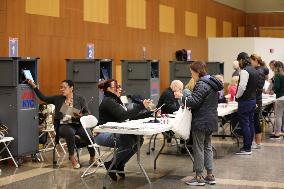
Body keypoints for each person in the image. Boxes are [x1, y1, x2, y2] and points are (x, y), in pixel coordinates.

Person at [27, 79, 95, 169]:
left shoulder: (80, 98)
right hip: (62, 125)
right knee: (69, 132)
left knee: (88, 134)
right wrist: (34, 86)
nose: (61, 89)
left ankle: (93, 158)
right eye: (61, 87)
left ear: (71, 88)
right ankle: (72, 157)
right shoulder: (57, 99)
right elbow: (43, 98)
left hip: (77, 124)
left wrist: (81, 115)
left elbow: (87, 112)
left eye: (64, 87)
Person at [94, 79, 152, 181]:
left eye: (120, 86)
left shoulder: (116, 100)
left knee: (139, 139)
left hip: (114, 131)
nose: (120, 89)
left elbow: (129, 117)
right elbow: (123, 116)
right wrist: (141, 106)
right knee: (129, 140)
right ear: (109, 89)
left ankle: (120, 163)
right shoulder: (108, 101)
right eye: (117, 87)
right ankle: (111, 164)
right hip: (103, 134)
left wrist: (150, 113)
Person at [177, 61, 223, 186]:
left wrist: (181, 97)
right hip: (211, 120)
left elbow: (194, 102)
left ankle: (198, 177)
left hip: (201, 121)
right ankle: (210, 175)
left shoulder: (202, 84)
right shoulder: (212, 83)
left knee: (198, 149)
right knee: (207, 147)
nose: (191, 75)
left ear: (197, 72)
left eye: (192, 73)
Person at [235, 52, 258, 155]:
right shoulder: (255, 70)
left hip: (245, 101)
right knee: (250, 123)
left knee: (245, 124)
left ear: (241, 60)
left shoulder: (244, 71)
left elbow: (242, 87)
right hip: (253, 100)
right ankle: (250, 144)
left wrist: (237, 96)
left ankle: (247, 148)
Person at [250, 54, 269, 148]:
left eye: (251, 61)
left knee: (255, 120)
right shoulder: (261, 70)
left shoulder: (259, 71)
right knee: (256, 119)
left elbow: (257, 86)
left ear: (256, 60)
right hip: (258, 98)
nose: (250, 63)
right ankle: (257, 142)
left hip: (256, 98)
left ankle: (257, 142)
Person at [157, 80, 183, 144]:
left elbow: (175, 105)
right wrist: (181, 108)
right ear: (175, 87)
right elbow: (170, 107)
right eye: (180, 89)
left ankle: (182, 141)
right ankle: (183, 142)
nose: (181, 91)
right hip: (164, 117)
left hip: (167, 115)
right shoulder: (168, 93)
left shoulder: (171, 92)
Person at [270, 61, 284, 139]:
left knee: (278, 116)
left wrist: (272, 91)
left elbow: (277, 86)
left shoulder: (277, 75)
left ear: (275, 67)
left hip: (280, 97)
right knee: (282, 115)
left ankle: (277, 133)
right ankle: (279, 131)